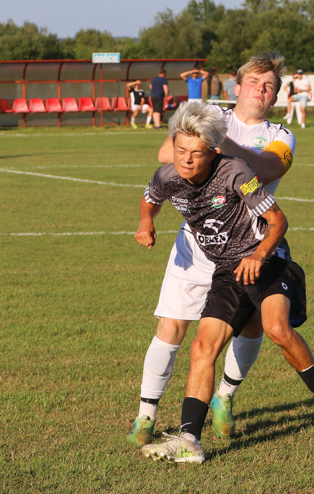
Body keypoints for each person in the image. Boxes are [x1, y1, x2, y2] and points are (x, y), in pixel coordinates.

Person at [136, 102, 314, 463]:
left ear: (212, 152)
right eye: (180, 150)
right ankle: (190, 439)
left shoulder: (236, 172)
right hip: (227, 270)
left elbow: (278, 220)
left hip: (266, 258)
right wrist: (146, 222)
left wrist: (258, 255)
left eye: (196, 153)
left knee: (276, 329)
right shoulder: (166, 176)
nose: (186, 160)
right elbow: (149, 200)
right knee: (202, 348)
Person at [127, 51, 297, 447]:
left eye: (269, 86)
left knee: (251, 327)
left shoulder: (281, 134)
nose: (261, 90)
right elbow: (166, 154)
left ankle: (224, 397)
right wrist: (204, 138)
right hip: (195, 246)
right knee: (170, 327)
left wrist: (216, 142)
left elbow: (267, 169)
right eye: (254, 82)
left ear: (275, 97)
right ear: (237, 87)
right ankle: (145, 416)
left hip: (247, 249)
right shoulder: (210, 112)